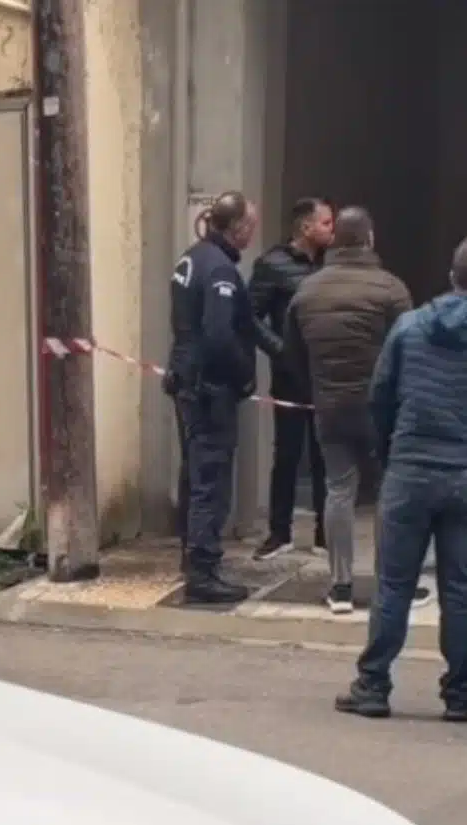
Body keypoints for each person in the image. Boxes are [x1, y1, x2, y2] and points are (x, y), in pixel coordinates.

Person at [336, 235, 467, 721]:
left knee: (394, 586)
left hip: (410, 469)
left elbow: (380, 397)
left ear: (451, 277)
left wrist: (392, 453)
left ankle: (373, 686)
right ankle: (460, 695)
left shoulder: (408, 328)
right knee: (459, 591)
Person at [288, 206, 421, 614]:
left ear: (335, 240)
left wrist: (316, 389)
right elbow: (410, 351)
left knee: (338, 490)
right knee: (387, 493)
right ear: (370, 239)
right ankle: (388, 585)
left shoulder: (307, 291)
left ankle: (340, 587)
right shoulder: (391, 289)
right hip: (380, 409)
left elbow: (292, 354)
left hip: (329, 406)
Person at [165, 191, 262, 604]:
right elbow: (220, 335)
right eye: (250, 226)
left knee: (194, 473)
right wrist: (244, 376)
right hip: (210, 390)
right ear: (237, 227)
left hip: (187, 382)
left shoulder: (192, 258)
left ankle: (192, 557)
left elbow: (244, 323)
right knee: (211, 480)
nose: (252, 234)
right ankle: (203, 572)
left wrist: (277, 348)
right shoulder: (220, 268)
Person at [249, 196, 335, 560]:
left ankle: (325, 535)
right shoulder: (273, 264)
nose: (332, 230)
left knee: (325, 455)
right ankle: (279, 532)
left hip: (327, 372)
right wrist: (279, 350)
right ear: (306, 227)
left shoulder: (333, 263)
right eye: (326, 223)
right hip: (290, 374)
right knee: (286, 452)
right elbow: (249, 316)